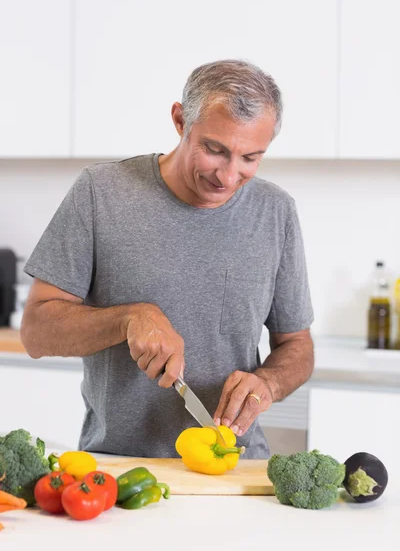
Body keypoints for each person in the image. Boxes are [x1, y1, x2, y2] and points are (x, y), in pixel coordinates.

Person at [21, 59, 314, 459]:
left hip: (234, 471)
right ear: (180, 120)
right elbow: (35, 332)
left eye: (250, 158)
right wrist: (127, 319)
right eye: (215, 150)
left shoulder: (275, 211)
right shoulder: (101, 193)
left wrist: (270, 383)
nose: (228, 177)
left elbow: (297, 345)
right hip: (118, 470)